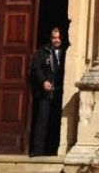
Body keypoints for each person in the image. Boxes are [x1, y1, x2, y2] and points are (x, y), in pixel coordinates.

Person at [29, 26, 66, 157]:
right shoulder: (43, 51)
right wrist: (43, 81)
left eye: (58, 38)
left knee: (57, 121)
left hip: (60, 92)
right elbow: (36, 68)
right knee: (42, 120)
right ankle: (38, 150)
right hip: (45, 92)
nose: (56, 40)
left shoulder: (66, 52)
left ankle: (53, 149)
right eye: (53, 38)